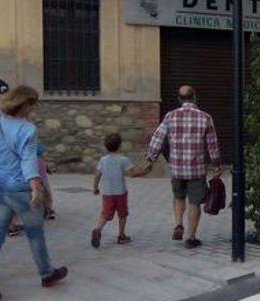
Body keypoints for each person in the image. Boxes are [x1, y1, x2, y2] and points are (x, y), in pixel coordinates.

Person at [0, 86, 67, 301]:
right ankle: (47, 274)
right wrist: (36, 185)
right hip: (20, 188)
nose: (34, 108)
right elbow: (28, 159)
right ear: (24, 104)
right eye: (33, 103)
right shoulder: (27, 129)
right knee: (35, 234)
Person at [144, 86, 221, 249]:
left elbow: (158, 137)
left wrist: (151, 158)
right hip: (196, 169)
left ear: (179, 99)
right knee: (195, 202)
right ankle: (191, 238)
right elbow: (212, 145)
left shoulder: (170, 116)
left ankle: (178, 224)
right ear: (195, 97)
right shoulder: (205, 117)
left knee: (179, 197)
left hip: (177, 168)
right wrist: (216, 165)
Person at [91, 133, 146, 248]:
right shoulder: (123, 160)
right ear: (120, 145)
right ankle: (121, 236)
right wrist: (145, 171)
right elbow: (133, 174)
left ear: (106, 146)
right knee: (122, 214)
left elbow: (97, 175)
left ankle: (98, 229)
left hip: (107, 193)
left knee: (105, 214)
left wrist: (95, 187)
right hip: (120, 192)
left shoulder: (103, 160)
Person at [37, 143, 56, 220]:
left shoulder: (31, 160)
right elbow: (49, 170)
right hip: (43, 181)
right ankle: (49, 210)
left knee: (39, 196)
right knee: (47, 196)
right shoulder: (42, 160)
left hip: (36, 181)